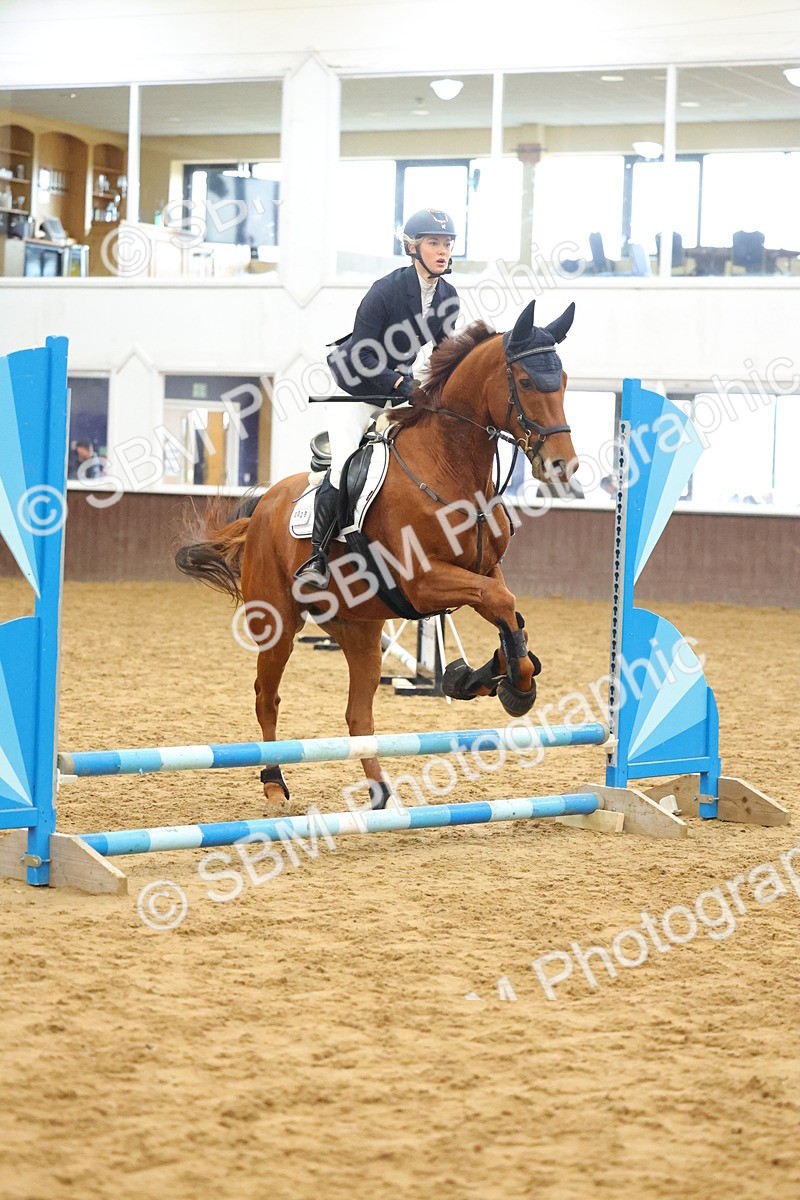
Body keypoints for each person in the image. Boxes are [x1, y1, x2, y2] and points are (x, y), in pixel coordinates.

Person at [294, 208, 461, 588]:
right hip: (357, 389)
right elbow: (361, 356)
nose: (442, 251)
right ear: (412, 248)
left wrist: (443, 391)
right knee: (343, 466)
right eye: (434, 243)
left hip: (397, 391)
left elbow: (443, 353)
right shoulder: (385, 290)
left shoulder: (448, 296)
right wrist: (403, 385)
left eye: (448, 244)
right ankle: (317, 556)